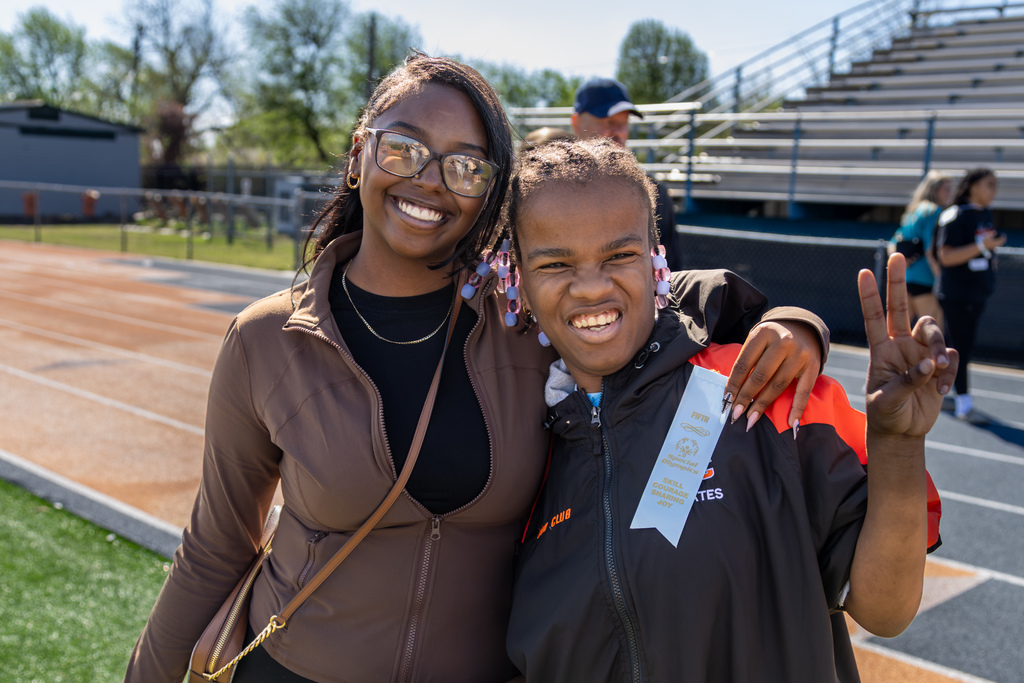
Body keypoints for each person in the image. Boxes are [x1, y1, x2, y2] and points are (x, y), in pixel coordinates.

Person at [125, 55, 831, 683]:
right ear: (358, 154)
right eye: (403, 148)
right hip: (296, 667)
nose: (429, 181)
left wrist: (797, 323)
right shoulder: (266, 340)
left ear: (488, 191)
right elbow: (216, 547)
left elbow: (644, 292)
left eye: (465, 164)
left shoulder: (524, 318)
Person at [503, 138, 955, 682]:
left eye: (619, 255)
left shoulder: (760, 388)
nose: (592, 286)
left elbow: (885, 611)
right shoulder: (512, 451)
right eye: (555, 262)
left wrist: (898, 445)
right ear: (520, 278)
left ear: (656, 259)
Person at [571, 77, 682, 270]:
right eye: (609, 121)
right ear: (577, 123)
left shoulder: (654, 194)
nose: (619, 132)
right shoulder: (553, 192)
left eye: (624, 123)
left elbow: (672, 274)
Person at [935, 167, 1006, 424]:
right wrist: (981, 246)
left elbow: (984, 249)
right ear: (972, 186)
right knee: (959, 348)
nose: (994, 190)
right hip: (957, 293)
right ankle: (964, 403)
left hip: (978, 292)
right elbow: (945, 256)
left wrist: (991, 249)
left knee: (958, 346)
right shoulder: (954, 215)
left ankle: (943, 391)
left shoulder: (985, 213)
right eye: (989, 184)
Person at [893, 170, 952, 326]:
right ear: (934, 190)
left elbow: (893, 243)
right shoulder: (934, 211)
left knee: (901, 332)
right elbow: (930, 249)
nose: (949, 193)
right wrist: (941, 279)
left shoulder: (912, 211)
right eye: (946, 189)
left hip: (905, 277)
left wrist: (903, 262)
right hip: (925, 278)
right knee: (932, 330)